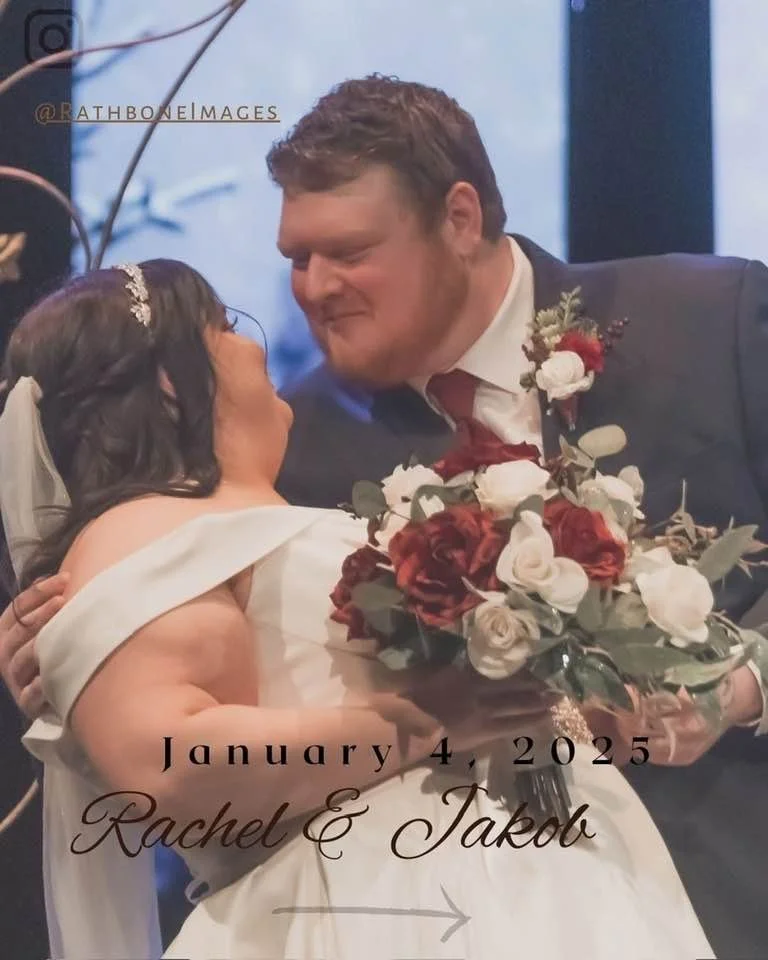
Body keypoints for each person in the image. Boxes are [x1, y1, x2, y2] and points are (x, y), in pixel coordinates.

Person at [2, 73, 768, 952]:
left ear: (460, 218)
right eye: (296, 258)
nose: (314, 287)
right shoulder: (282, 443)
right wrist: (75, 668)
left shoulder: (711, 320)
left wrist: (740, 688)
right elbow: (199, 712)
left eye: (349, 249)